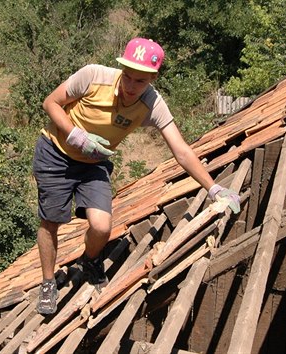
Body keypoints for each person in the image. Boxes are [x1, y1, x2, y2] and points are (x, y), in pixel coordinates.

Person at [32, 38, 241, 315]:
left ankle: (90, 259)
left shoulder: (152, 104)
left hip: (94, 162)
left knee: (102, 226)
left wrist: (213, 189)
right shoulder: (94, 76)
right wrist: (75, 135)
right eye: (127, 76)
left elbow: (181, 150)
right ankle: (48, 283)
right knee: (52, 220)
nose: (130, 87)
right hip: (56, 153)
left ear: (153, 78)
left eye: (139, 81)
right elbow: (51, 103)